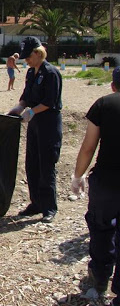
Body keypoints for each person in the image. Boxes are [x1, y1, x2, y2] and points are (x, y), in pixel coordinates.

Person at [71, 66, 120, 302]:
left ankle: (100, 278)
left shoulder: (104, 104)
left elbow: (89, 146)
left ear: (113, 85)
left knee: (101, 229)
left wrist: (77, 175)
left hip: (107, 179)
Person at [8, 36, 62, 224]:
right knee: (32, 163)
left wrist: (31, 111)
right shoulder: (31, 73)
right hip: (34, 123)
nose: (26, 60)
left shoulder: (51, 73)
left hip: (48, 123)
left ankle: (49, 207)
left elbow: (50, 101)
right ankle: (36, 202)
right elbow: (26, 97)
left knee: (46, 165)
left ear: (38, 53)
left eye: (28, 57)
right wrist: (18, 108)